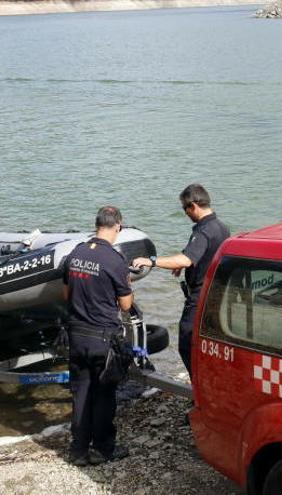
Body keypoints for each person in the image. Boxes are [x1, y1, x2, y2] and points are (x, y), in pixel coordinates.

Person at [132, 184, 229, 376]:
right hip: (216, 295)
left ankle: (200, 388)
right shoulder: (220, 227)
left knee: (186, 343)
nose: (185, 213)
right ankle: (212, 381)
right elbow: (203, 255)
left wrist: (150, 261)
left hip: (199, 297)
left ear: (193, 205)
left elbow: (185, 258)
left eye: (185, 208)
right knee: (207, 344)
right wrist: (185, 264)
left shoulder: (203, 231)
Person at [62, 206, 133, 466]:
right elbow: (125, 305)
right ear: (117, 226)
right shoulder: (115, 260)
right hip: (103, 339)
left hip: (76, 335)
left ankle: (78, 449)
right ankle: (103, 447)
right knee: (103, 395)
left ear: (96, 225)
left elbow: (66, 295)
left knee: (80, 393)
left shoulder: (75, 253)